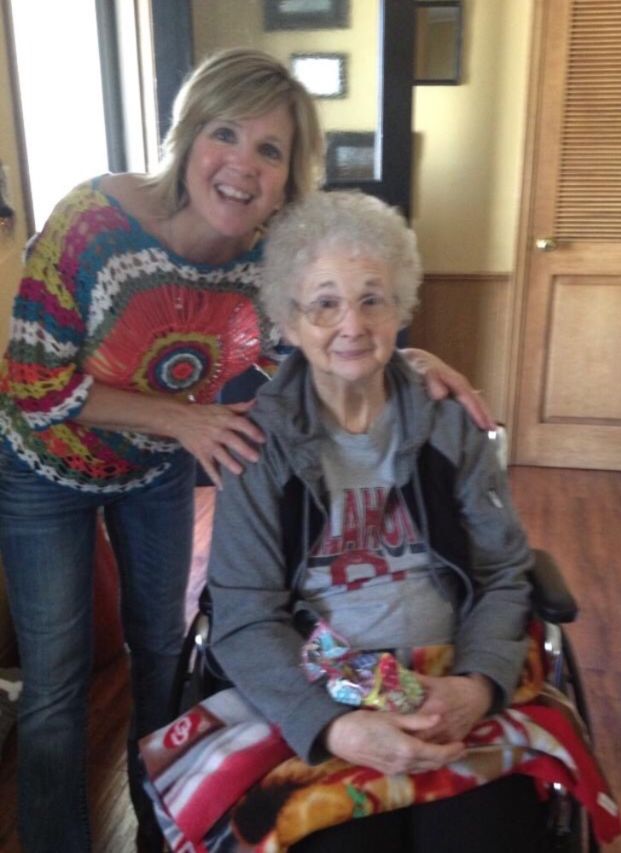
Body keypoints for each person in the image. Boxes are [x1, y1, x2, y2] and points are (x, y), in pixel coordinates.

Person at [0, 50, 491, 853]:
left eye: (270, 149)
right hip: (45, 468)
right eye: (225, 133)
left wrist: (407, 357)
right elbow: (30, 381)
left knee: (162, 655)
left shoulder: (266, 260)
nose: (242, 164)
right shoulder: (93, 224)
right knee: (57, 684)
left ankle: (164, 830)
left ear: (289, 175)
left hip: (152, 466)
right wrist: (182, 419)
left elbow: (321, 339)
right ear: (188, 134)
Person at [202, 189, 545, 851]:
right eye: (324, 303)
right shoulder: (256, 443)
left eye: (372, 299)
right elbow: (244, 614)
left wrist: (477, 685)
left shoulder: (449, 424)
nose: (352, 325)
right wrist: (333, 726)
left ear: (400, 308)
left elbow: (503, 573)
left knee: (487, 834)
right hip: (318, 687)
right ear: (290, 322)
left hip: (449, 680)